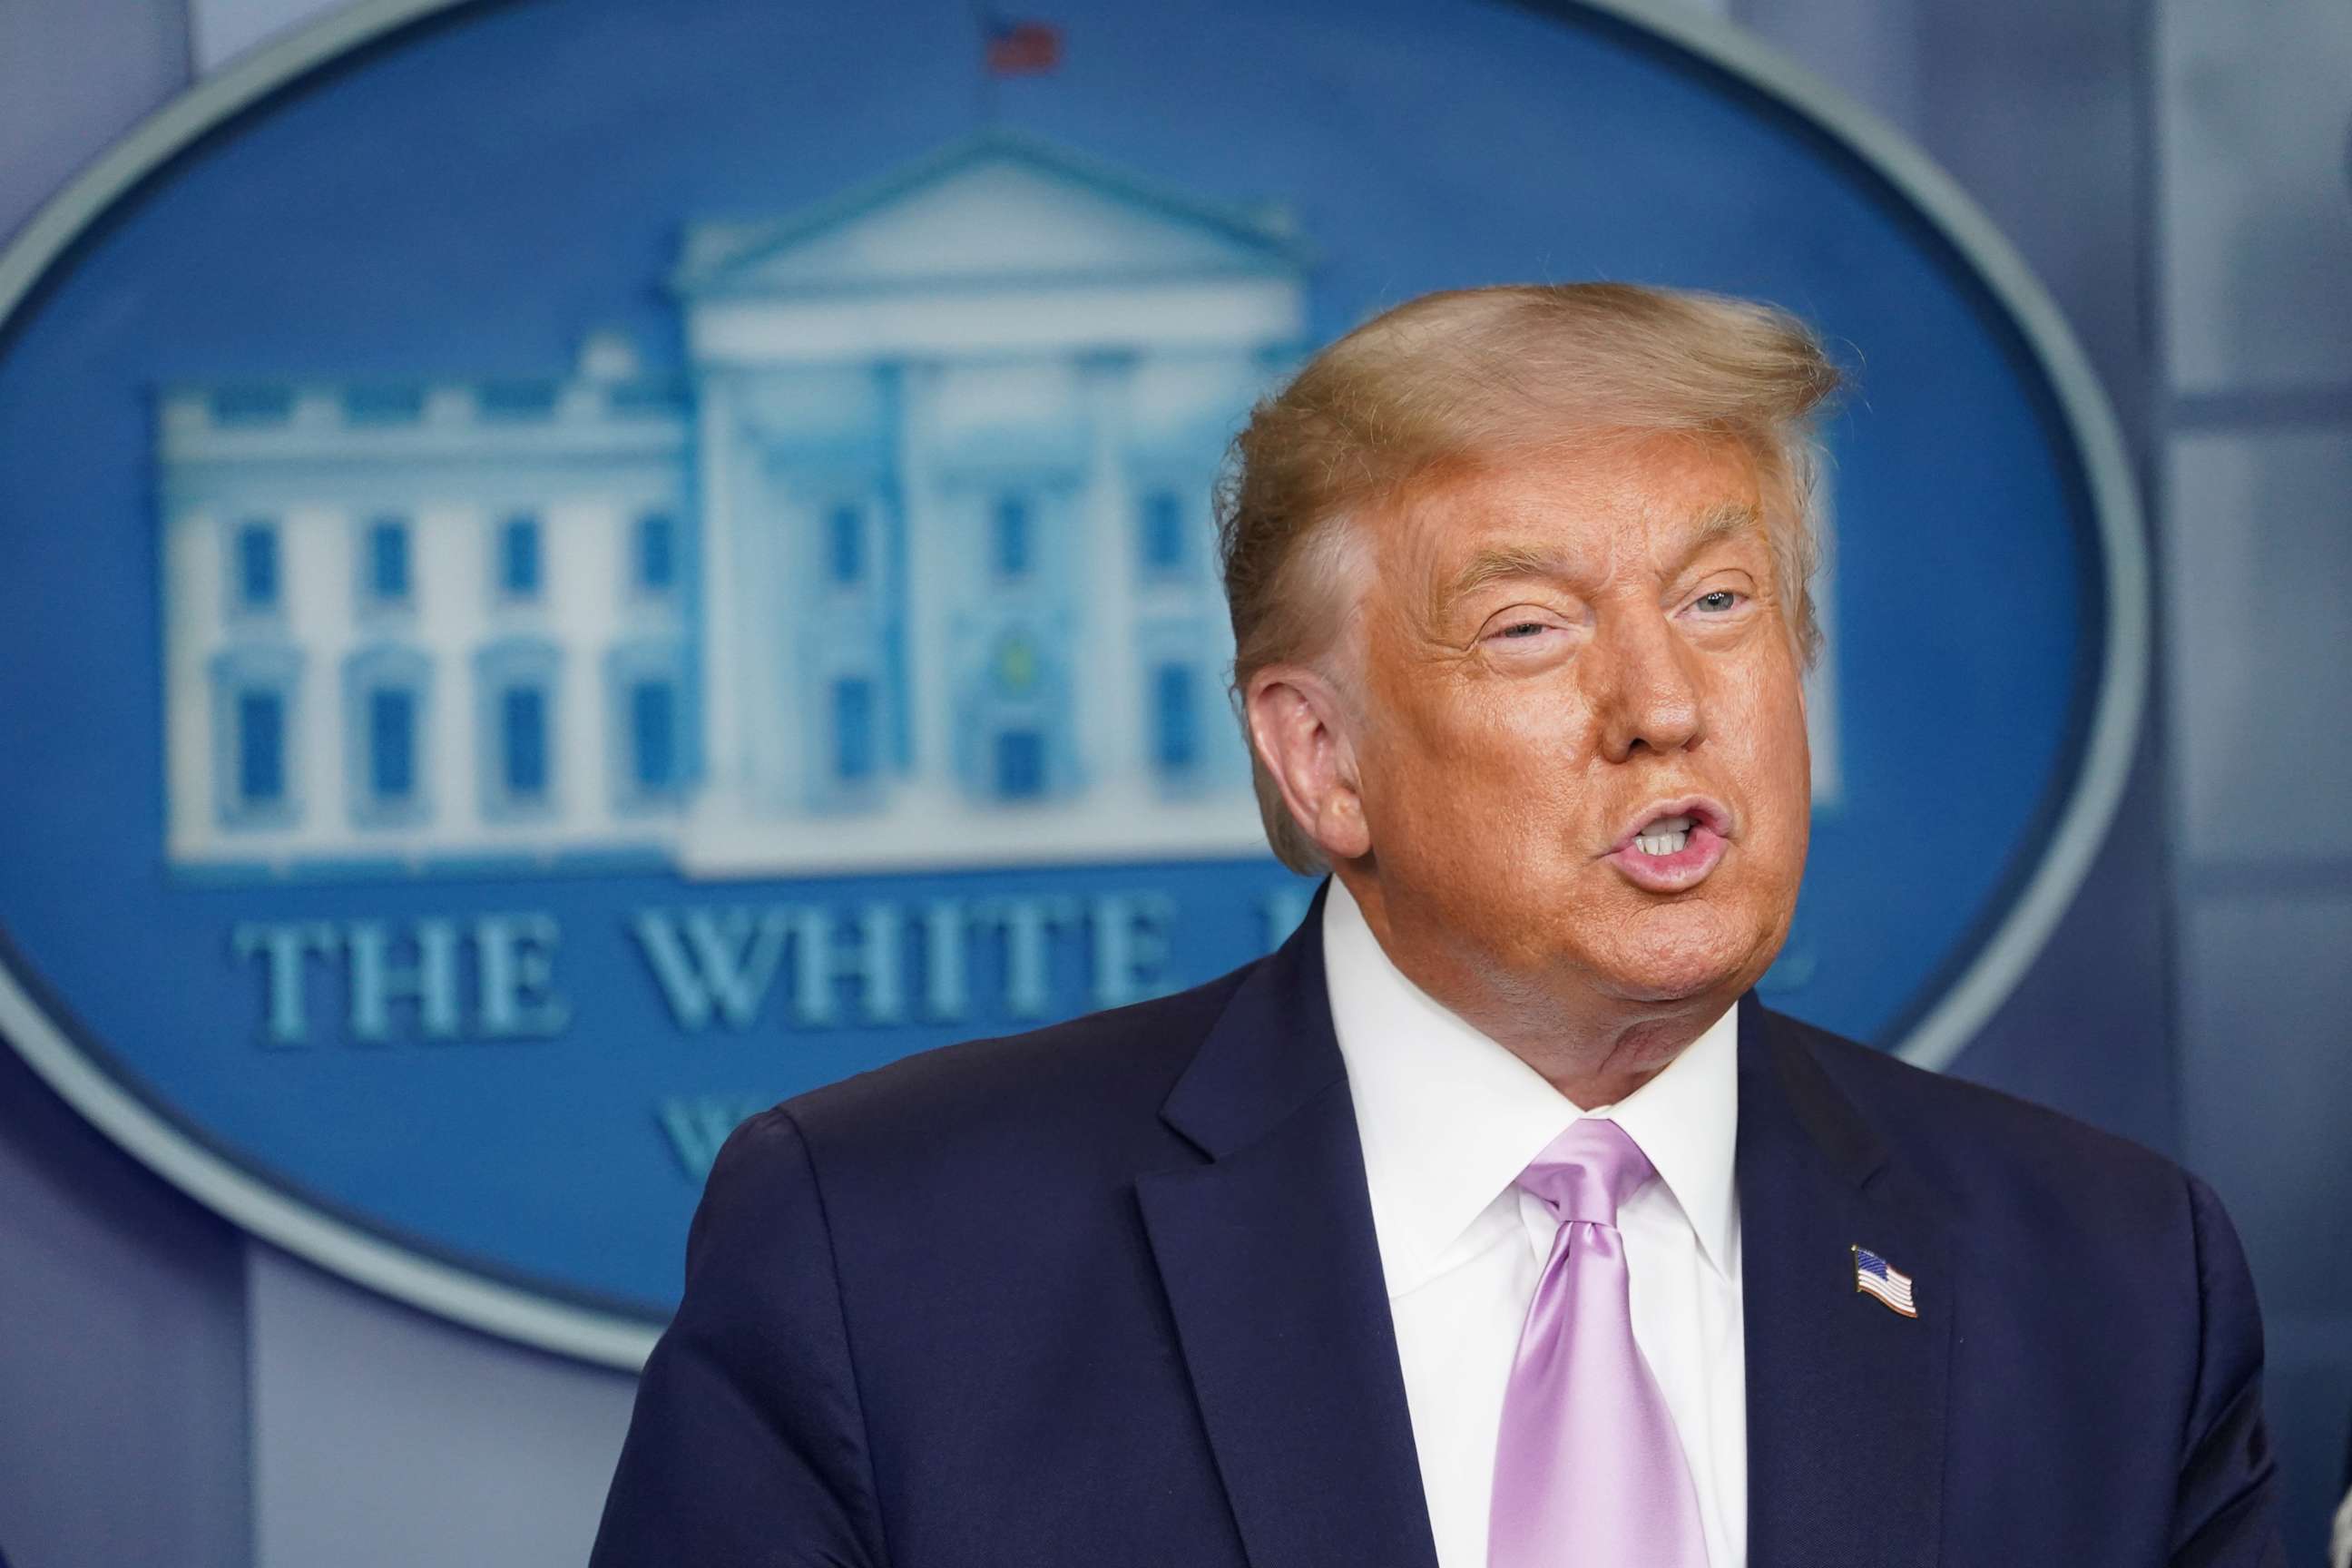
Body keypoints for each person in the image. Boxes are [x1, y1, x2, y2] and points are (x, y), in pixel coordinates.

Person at [591, 283, 2283, 1566]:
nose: (1664, 705)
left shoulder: (2115, 1286)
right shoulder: (887, 1261)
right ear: (1322, 761)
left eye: (1718, 602)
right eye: (1534, 628)